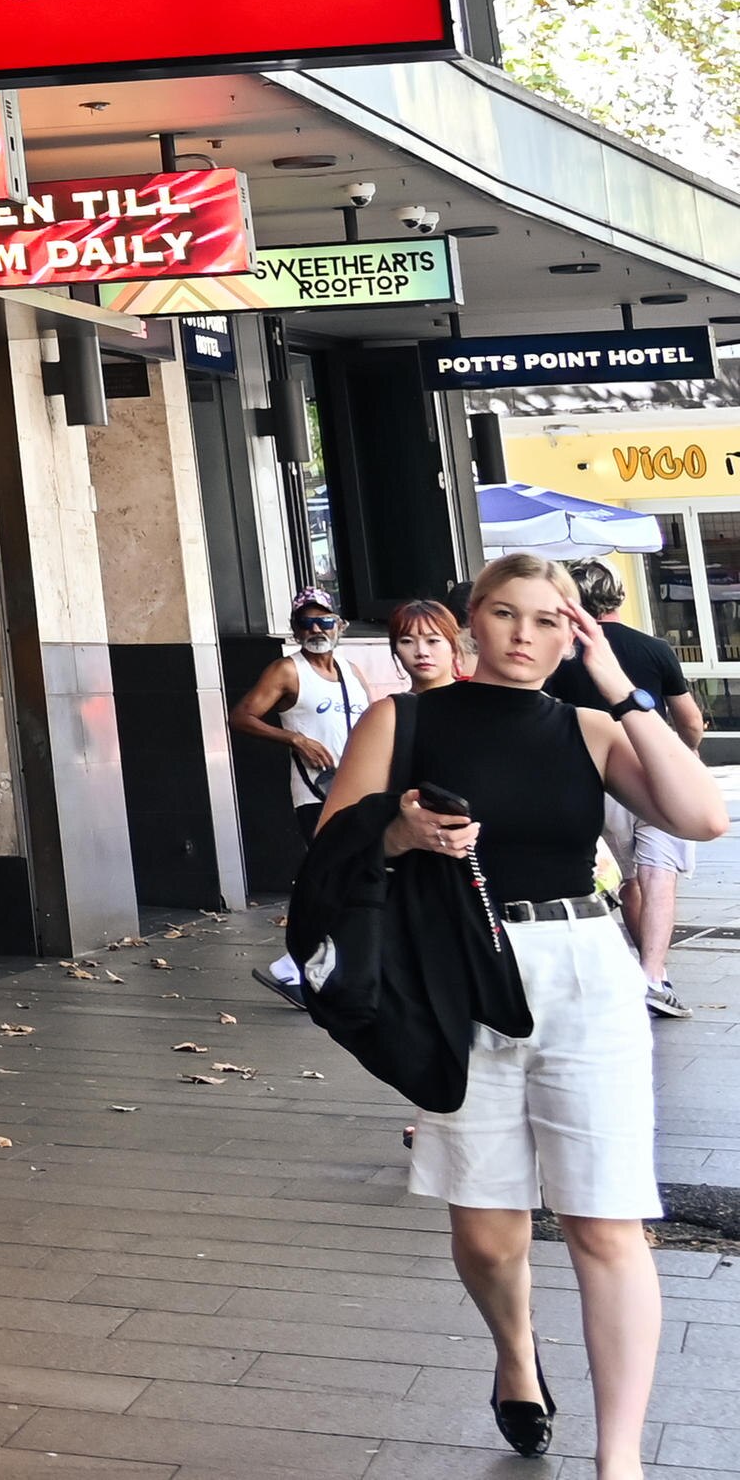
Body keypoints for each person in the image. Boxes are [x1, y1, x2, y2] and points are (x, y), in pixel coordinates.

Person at [321, 551, 729, 1475]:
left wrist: (624, 689)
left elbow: (704, 818)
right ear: (473, 620)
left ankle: (617, 1458)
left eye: (551, 620)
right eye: (506, 614)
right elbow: (329, 849)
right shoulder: (404, 719)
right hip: (457, 973)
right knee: (487, 1230)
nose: (525, 635)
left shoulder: (590, 728)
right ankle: (516, 1355)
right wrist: (400, 832)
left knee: (606, 1220)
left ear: (574, 632)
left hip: (585, 970)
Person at [552, 561, 710, 1018]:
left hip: (596, 774)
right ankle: (653, 975)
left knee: (629, 881)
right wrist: (686, 754)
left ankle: (645, 974)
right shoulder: (654, 648)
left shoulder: (564, 657)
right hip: (657, 768)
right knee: (660, 872)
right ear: (619, 596)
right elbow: (690, 720)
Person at [233, 586, 400, 814]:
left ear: (340, 625)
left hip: (361, 790)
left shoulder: (351, 671)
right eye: (305, 623)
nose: (315, 629)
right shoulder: (287, 670)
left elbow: (372, 725)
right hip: (317, 793)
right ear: (295, 629)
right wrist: (296, 739)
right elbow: (240, 717)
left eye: (325, 622)